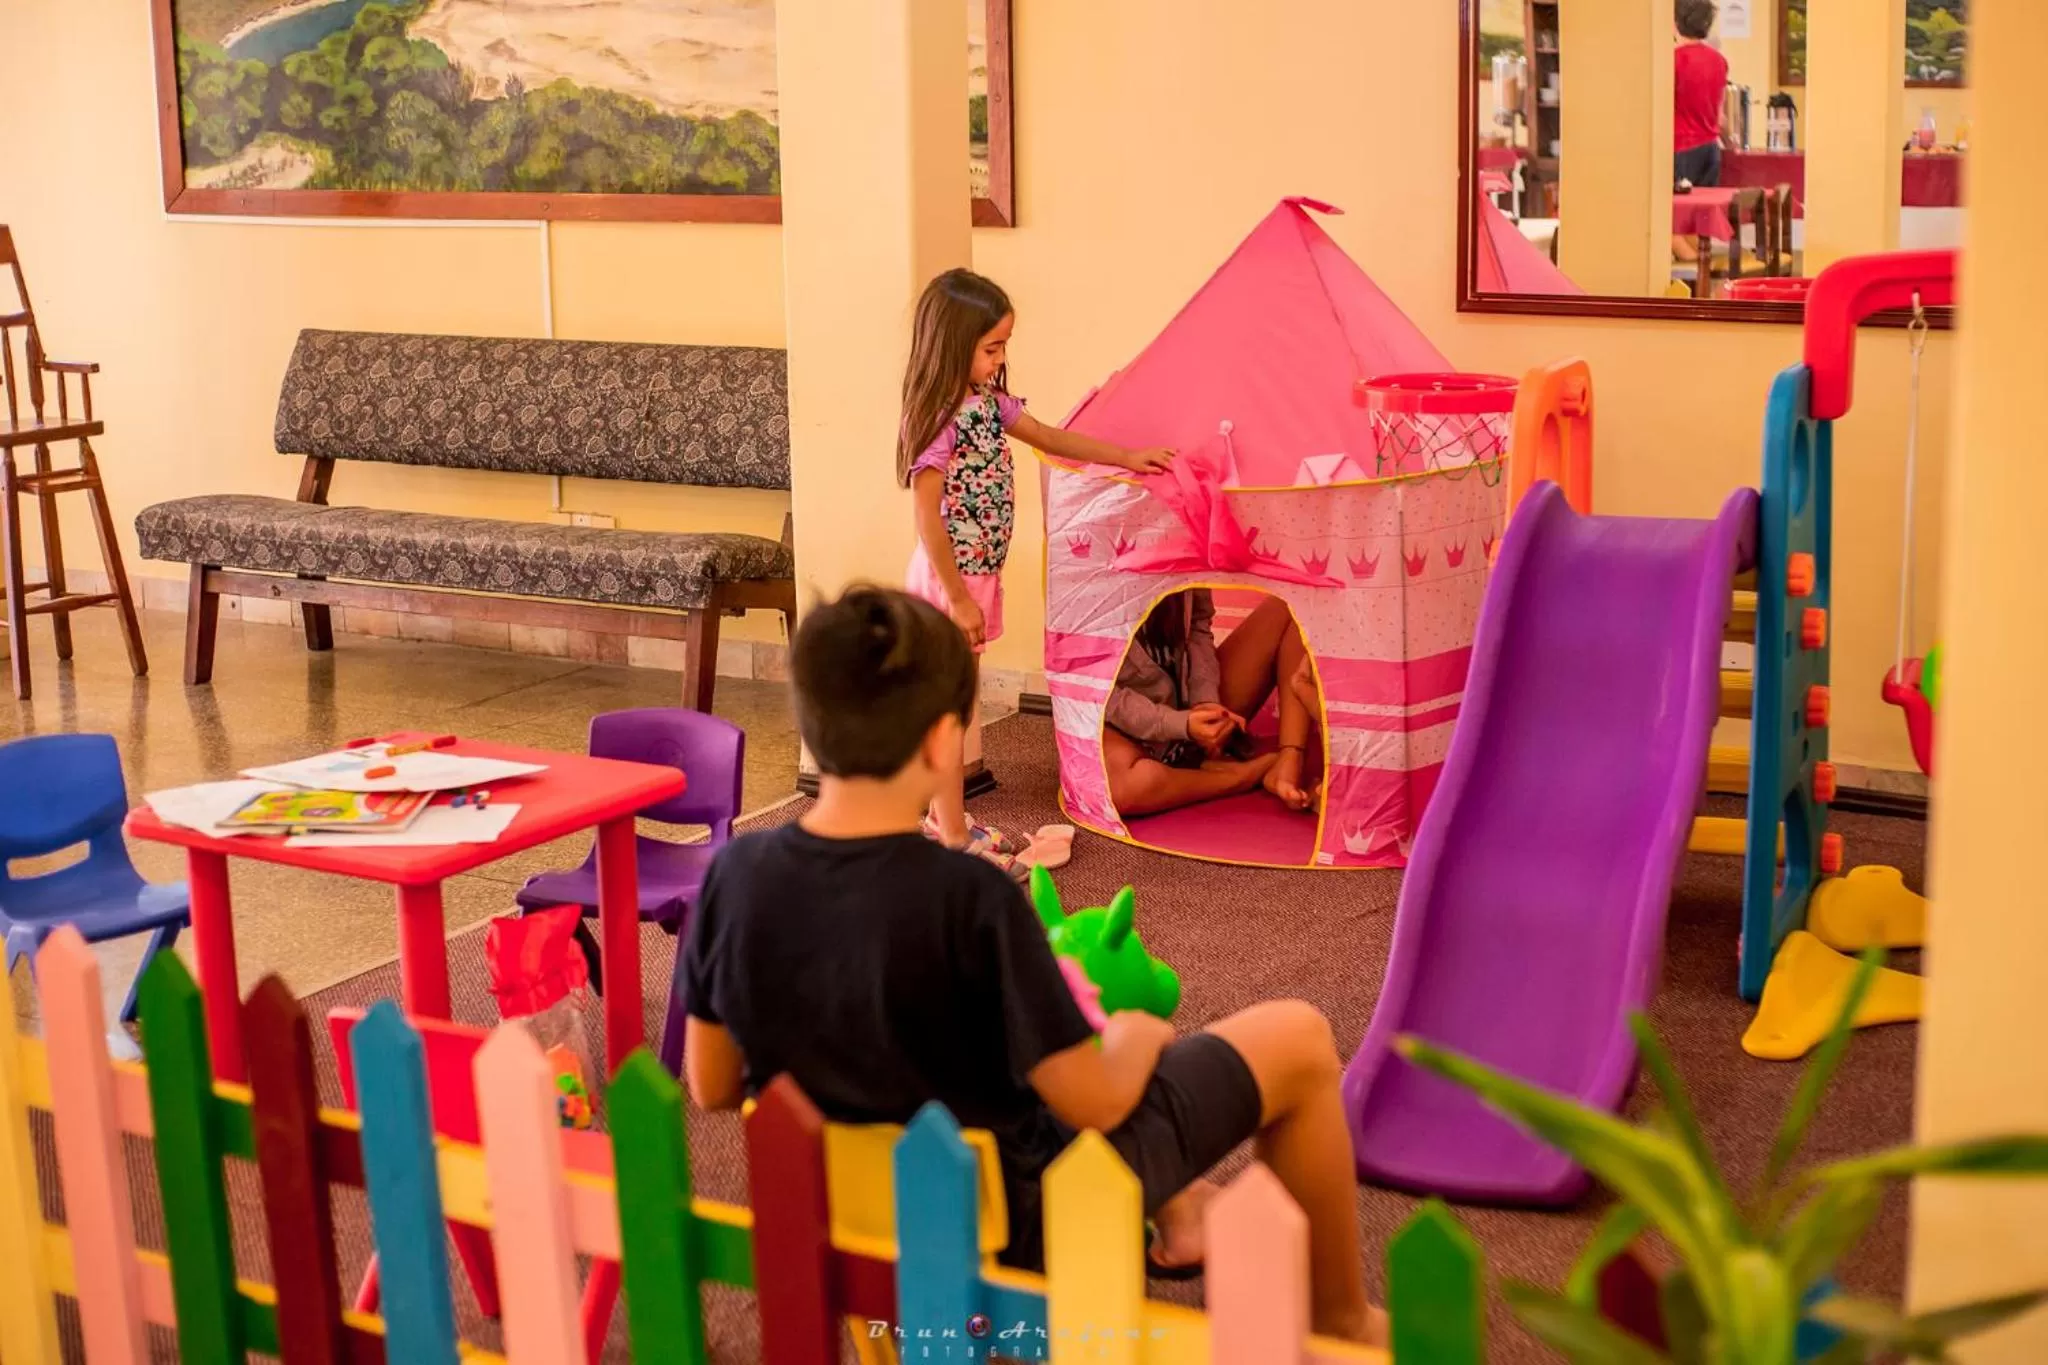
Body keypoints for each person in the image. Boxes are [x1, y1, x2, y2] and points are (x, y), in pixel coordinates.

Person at [680, 587, 1380, 1344]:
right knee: (1300, 1037)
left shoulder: (734, 875)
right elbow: (1096, 1101)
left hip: (857, 1213)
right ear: (943, 743)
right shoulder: (969, 893)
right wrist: (1145, 1034)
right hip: (1020, 1219)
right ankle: (1340, 1317)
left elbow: (713, 1083)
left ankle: (1179, 1213)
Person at [898, 268, 1174, 875]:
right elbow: (928, 521)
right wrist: (960, 600)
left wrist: (1128, 457)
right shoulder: (940, 419)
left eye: (1004, 347)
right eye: (991, 348)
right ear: (951, 345)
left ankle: (948, 823)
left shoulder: (991, 407)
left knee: (957, 708)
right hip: (951, 583)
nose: (1000, 360)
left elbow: (1050, 437)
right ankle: (949, 838)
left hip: (976, 578)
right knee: (950, 711)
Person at [1105, 590, 1322, 817]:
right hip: (1126, 731)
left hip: (1187, 703)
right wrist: (1181, 724)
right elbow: (1095, 690)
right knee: (1115, 789)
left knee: (1292, 603)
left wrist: (1206, 702)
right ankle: (1237, 776)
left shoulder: (1190, 559)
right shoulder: (1082, 575)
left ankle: (1289, 760)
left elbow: (1198, 629)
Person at [1672, 0, 1732, 264]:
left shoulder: (1672, 60)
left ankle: (1700, 277)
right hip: (1710, 149)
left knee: (1671, 226)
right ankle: (1704, 280)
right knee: (1697, 227)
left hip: (1681, 147)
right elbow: (1721, 115)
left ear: (1674, 22)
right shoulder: (1719, 61)